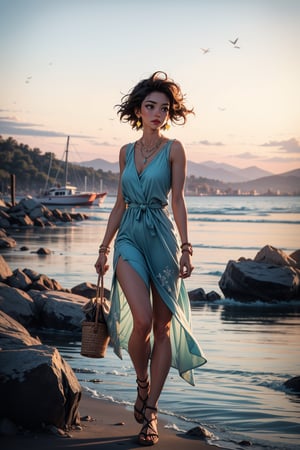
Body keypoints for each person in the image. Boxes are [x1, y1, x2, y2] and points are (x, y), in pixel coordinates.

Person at [94, 71, 207, 446]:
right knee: (140, 319)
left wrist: (187, 248)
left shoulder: (175, 149)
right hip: (128, 235)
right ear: (138, 109)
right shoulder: (125, 152)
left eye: (164, 108)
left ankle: (151, 412)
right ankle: (141, 383)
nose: (157, 113)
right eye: (150, 106)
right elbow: (119, 203)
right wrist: (104, 248)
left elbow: (178, 201)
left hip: (161, 238)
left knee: (162, 328)